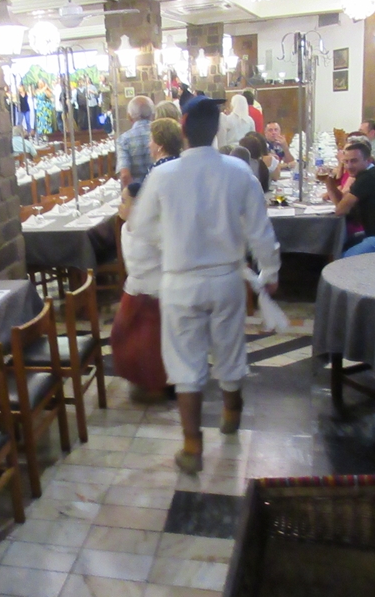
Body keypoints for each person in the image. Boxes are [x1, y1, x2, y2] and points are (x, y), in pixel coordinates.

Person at [130, 96, 281, 474]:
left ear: (182, 128)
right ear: (218, 128)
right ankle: (231, 412)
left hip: (181, 281)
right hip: (227, 278)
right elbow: (261, 230)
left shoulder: (163, 175)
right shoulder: (238, 171)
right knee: (230, 350)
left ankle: (192, 445)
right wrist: (270, 271)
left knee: (186, 363)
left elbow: (139, 226)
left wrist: (172, 240)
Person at [111, 181, 169, 398]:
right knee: (121, 335)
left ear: (137, 205)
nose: (120, 206)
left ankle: (159, 384)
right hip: (135, 289)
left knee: (150, 342)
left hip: (155, 292)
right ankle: (140, 379)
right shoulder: (125, 227)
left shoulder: (154, 228)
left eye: (124, 201)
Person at [116, 96, 155, 187]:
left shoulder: (124, 139)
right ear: (152, 115)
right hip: (158, 190)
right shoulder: (160, 133)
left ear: (129, 117)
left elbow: (125, 175)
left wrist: (132, 192)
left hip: (136, 191)